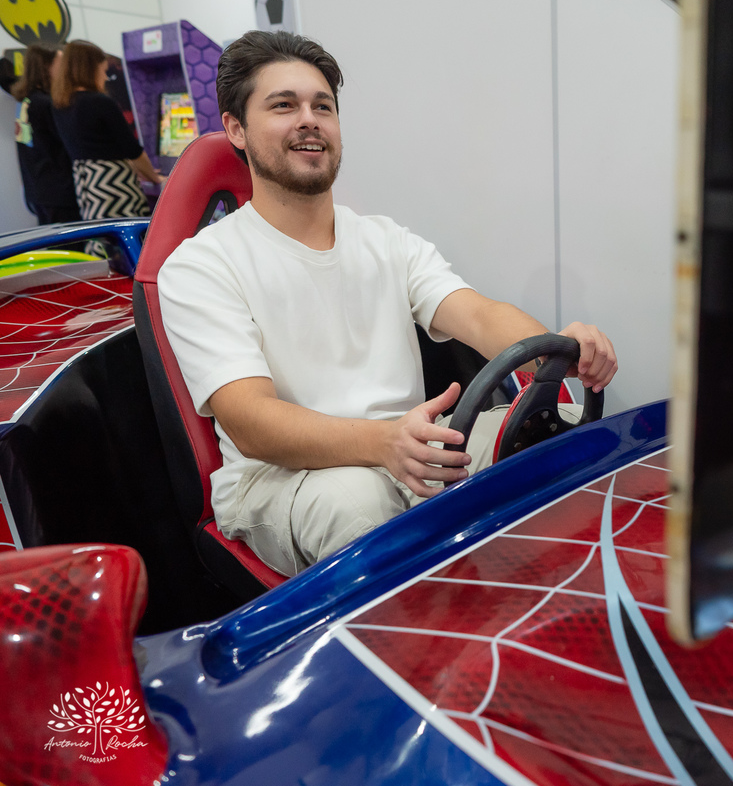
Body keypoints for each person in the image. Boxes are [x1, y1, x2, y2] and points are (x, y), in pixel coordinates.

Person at [157, 31, 617, 576]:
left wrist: (561, 350)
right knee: (359, 506)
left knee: (566, 434)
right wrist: (383, 442)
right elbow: (251, 421)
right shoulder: (200, 265)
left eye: (322, 106)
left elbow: (477, 313)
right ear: (236, 128)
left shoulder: (385, 239)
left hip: (407, 447)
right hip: (284, 478)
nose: (309, 120)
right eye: (284, 105)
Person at [51, 40, 164, 219]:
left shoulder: (60, 103)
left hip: (87, 184)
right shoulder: (99, 102)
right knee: (129, 239)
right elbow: (133, 150)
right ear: (89, 69)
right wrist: (155, 178)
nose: (105, 77)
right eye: (103, 71)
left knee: (102, 238)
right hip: (113, 185)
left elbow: (98, 146)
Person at [11, 44, 79, 224]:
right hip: (59, 192)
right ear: (46, 67)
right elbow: (69, 143)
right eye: (60, 63)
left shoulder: (26, 101)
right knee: (69, 249)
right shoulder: (45, 104)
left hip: (39, 190)